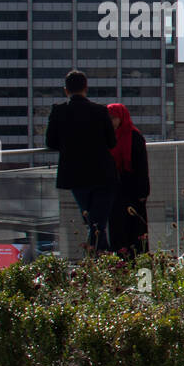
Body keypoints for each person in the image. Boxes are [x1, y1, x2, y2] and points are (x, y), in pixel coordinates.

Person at [46, 70, 118, 254]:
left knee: (93, 222)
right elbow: (112, 142)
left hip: (76, 176)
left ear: (66, 90)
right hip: (103, 174)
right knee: (98, 222)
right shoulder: (101, 110)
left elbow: (51, 142)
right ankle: (104, 261)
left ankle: (99, 262)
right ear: (86, 88)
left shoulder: (59, 111)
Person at [106, 102, 150, 258]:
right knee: (117, 231)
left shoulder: (134, 136)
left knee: (136, 230)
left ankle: (140, 269)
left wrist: (143, 192)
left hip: (132, 190)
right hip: (115, 191)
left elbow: (142, 166)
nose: (110, 121)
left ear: (121, 118)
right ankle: (121, 267)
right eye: (108, 118)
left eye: (113, 118)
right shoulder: (108, 137)